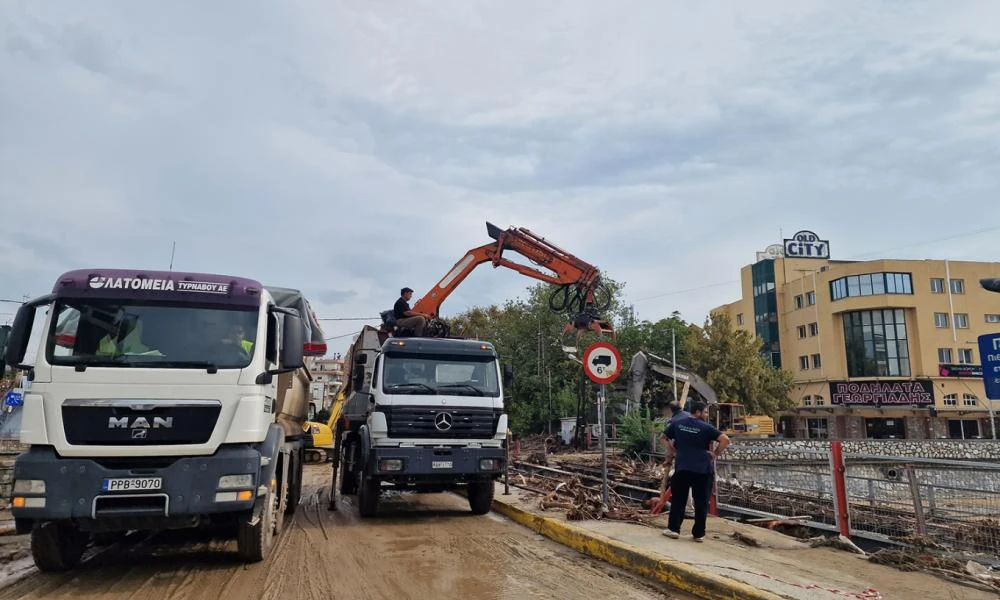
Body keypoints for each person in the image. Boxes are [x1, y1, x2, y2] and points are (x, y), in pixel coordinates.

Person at [662, 401, 730, 542]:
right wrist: (715, 453)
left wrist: (672, 450)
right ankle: (698, 534)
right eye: (705, 412)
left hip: (683, 468)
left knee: (679, 500)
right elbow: (725, 439)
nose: (706, 415)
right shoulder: (706, 428)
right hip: (703, 470)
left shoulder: (678, 424)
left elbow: (663, 438)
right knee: (701, 502)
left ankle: (673, 529)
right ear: (698, 412)